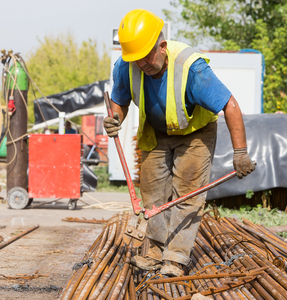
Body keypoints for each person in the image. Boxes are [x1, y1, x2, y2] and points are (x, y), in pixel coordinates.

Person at [104, 9, 256, 277]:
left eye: (146, 57)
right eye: (136, 59)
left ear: (162, 46)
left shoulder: (191, 68)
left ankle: (175, 257)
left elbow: (230, 105)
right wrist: (115, 118)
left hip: (195, 132)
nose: (141, 64)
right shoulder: (127, 65)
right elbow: (119, 99)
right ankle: (154, 252)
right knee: (152, 195)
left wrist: (240, 152)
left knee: (187, 194)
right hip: (156, 130)